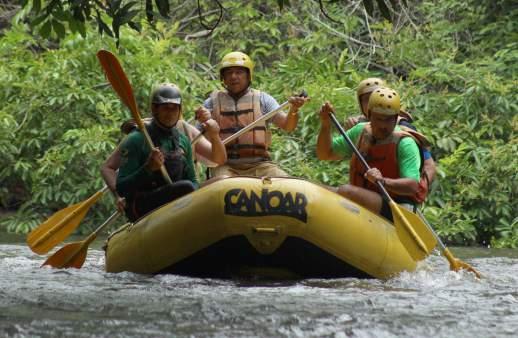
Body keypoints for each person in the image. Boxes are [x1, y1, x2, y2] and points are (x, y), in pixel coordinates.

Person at [101, 84, 227, 213]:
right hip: (144, 203)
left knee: (220, 182)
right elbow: (122, 188)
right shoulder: (137, 139)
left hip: (177, 197)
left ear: (180, 110)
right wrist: (148, 168)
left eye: (174, 108)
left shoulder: (183, 139)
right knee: (185, 187)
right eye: (165, 108)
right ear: (155, 109)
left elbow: (194, 180)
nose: (170, 113)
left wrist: (214, 134)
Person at [316, 87, 430, 222]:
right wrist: (325, 124)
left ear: (395, 118)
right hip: (367, 199)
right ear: (369, 115)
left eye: (388, 120)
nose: (383, 125)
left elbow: (412, 186)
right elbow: (325, 154)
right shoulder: (360, 131)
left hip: (399, 208)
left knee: (347, 191)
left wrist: (383, 181)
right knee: (317, 190)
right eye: (378, 119)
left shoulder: (405, 143)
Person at [197, 51, 309, 177]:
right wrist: (204, 120)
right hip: (226, 166)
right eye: (229, 73)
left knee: (286, 181)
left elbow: (288, 126)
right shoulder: (211, 103)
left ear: (248, 75)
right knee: (222, 180)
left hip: (260, 165)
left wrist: (294, 109)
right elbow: (195, 137)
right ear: (223, 78)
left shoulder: (263, 99)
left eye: (239, 72)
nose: (233, 77)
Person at [345, 77, 436, 185]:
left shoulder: (402, 127)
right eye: (366, 99)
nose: (373, 101)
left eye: (374, 96)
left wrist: (418, 192)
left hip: (396, 190)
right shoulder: (359, 125)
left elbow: (429, 164)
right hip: (368, 187)